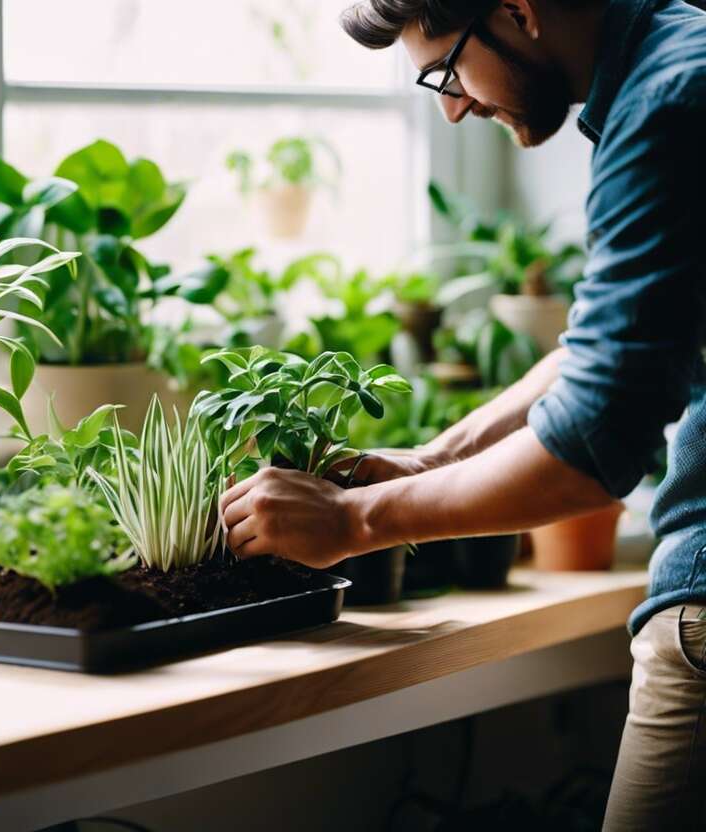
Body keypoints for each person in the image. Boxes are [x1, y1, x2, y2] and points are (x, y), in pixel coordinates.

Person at [218, 0, 706, 827]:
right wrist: (433, 458)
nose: (451, 104)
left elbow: (593, 447)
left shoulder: (667, 102)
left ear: (518, 8)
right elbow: (621, 346)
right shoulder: (682, 55)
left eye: (446, 69)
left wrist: (354, 520)